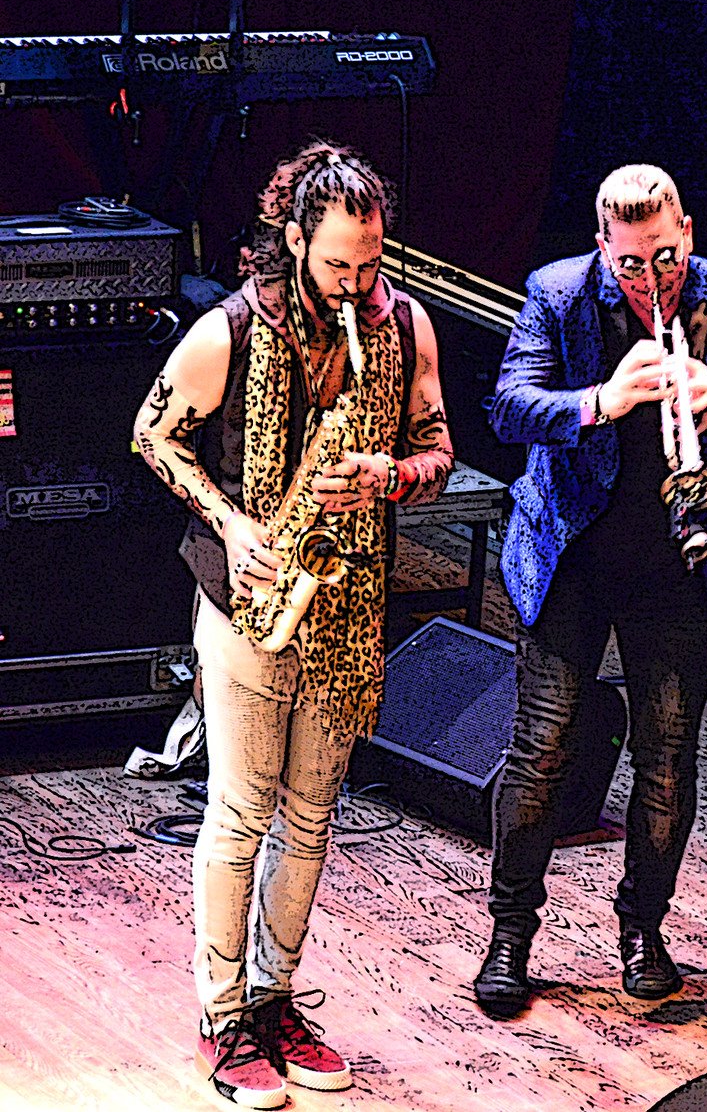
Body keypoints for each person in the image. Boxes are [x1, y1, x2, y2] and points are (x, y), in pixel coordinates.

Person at [134, 141, 454, 1107]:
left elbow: (438, 444)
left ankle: (276, 998)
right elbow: (151, 433)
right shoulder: (229, 331)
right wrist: (231, 526)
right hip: (250, 601)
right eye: (336, 267)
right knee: (240, 813)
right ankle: (221, 1017)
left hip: (350, 599)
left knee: (311, 817)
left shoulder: (404, 327)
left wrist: (392, 477)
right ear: (292, 240)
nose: (356, 287)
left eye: (371, 265)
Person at [474, 164, 707, 1013]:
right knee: (541, 754)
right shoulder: (557, 293)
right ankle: (510, 935)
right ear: (600, 246)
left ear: (686, 229)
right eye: (629, 263)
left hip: (681, 564)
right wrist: (600, 401)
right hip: (571, 557)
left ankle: (642, 929)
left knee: (667, 764)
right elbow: (507, 409)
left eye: (663, 256)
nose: (649, 278)